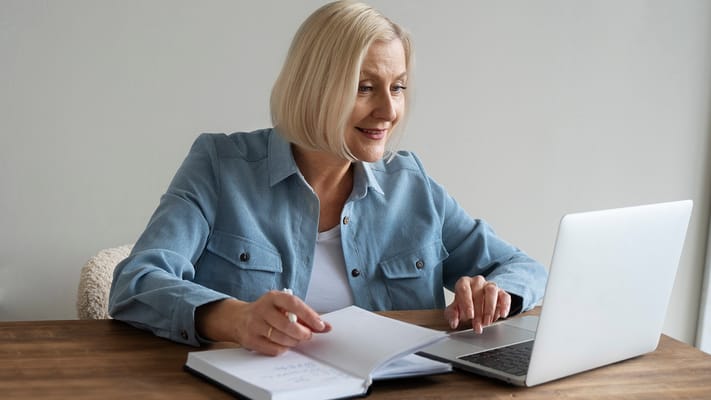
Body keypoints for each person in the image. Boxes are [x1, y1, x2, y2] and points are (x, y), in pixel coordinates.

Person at [109, 0, 547, 356]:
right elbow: (137, 283)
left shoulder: (410, 183)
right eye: (364, 87)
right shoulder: (220, 165)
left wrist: (496, 292)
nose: (389, 112)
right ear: (314, 87)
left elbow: (524, 269)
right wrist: (236, 318)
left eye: (397, 87)